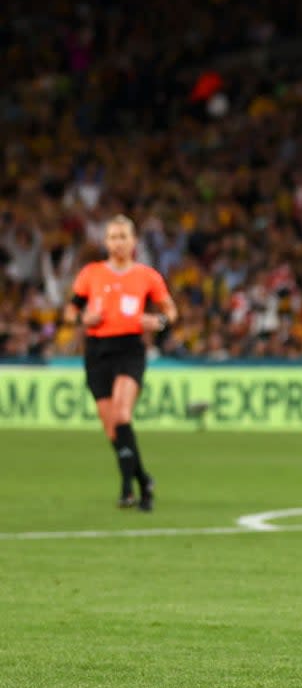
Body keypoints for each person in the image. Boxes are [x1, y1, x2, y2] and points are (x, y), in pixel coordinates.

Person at [63, 215, 178, 511]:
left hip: (129, 349)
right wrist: (81, 318)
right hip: (97, 351)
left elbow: (171, 311)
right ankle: (143, 479)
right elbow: (69, 311)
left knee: (122, 413)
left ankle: (128, 488)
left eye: (123, 236)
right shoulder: (91, 274)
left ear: (134, 241)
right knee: (112, 428)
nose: (118, 242)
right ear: (105, 242)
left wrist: (159, 321)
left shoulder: (147, 276)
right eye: (113, 237)